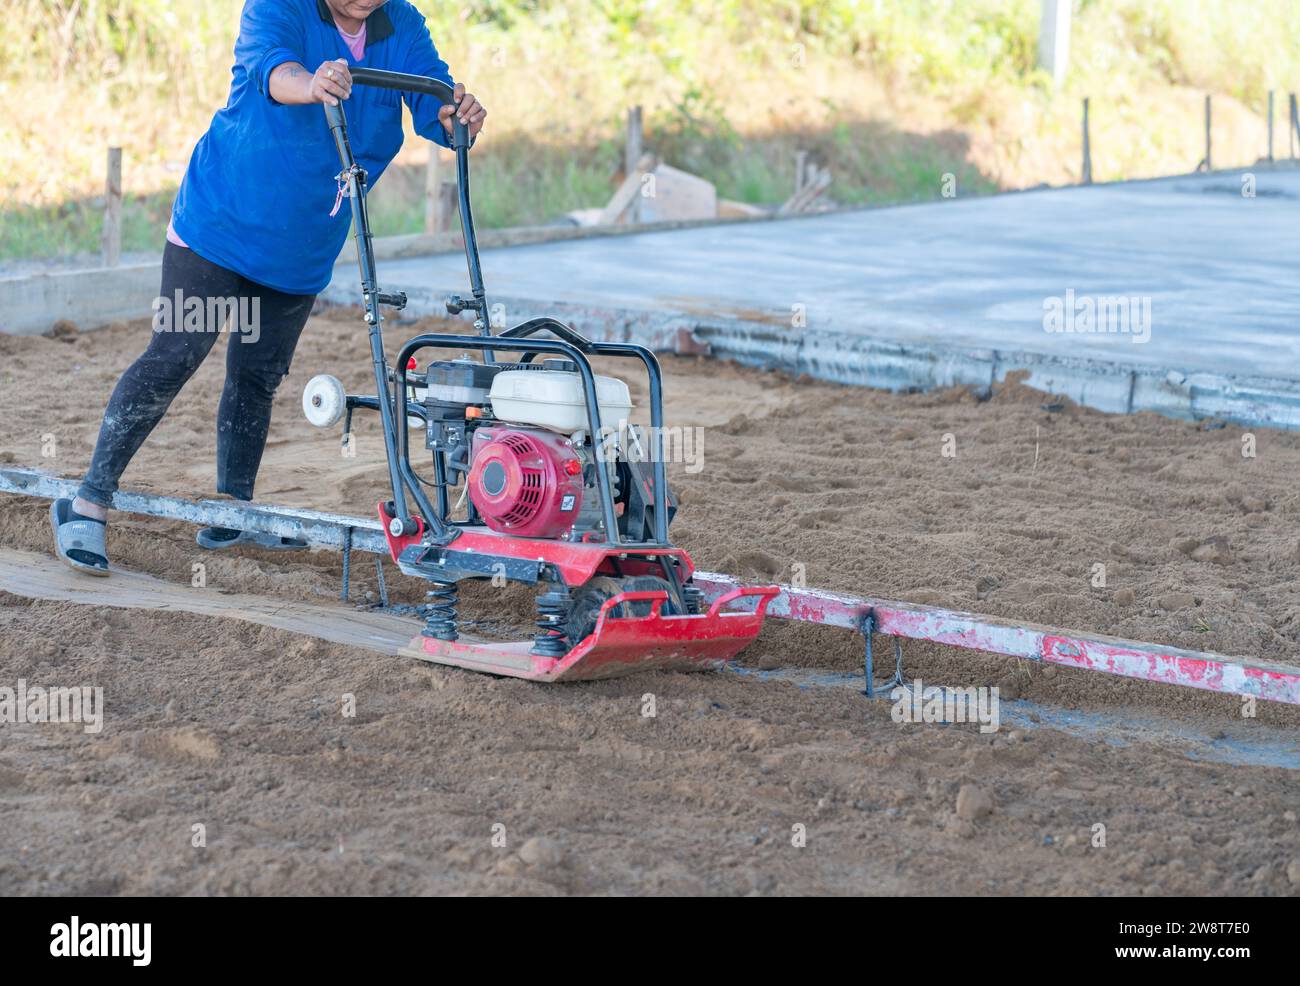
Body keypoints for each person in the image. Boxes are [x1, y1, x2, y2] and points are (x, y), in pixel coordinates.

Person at [51, 0, 486, 576]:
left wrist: (456, 116)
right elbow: (272, 69)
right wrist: (312, 82)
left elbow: (431, 102)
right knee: (176, 354)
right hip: (221, 225)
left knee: (258, 375)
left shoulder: (400, 23)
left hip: (302, 242)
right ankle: (86, 501)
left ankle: (233, 511)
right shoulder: (277, 6)